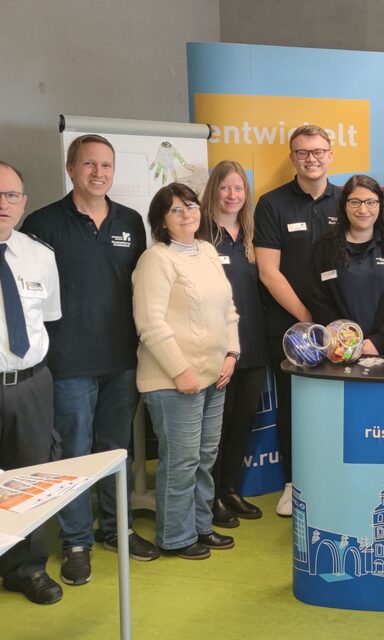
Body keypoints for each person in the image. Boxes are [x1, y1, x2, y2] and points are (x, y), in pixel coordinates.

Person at [21, 135, 157, 588]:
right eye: (89, 165)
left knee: (116, 450)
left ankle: (117, 530)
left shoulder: (131, 222)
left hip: (122, 360)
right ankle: (76, 542)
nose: (98, 173)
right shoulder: (42, 223)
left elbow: (144, 287)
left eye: (106, 165)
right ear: (70, 167)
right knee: (75, 454)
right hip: (68, 364)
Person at [132, 183, 239, 559]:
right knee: (181, 460)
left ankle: (200, 526)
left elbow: (228, 310)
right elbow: (150, 323)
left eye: (190, 206)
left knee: (205, 457)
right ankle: (175, 537)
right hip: (173, 381)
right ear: (161, 220)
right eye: (175, 209)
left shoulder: (208, 251)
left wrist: (231, 353)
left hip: (215, 375)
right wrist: (180, 372)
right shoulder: (156, 259)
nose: (187, 214)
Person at [253, 124, 341, 516]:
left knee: (340, 403)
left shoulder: (349, 201)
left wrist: (339, 325)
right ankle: (293, 483)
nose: (312, 158)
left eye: (319, 151)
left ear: (330, 155)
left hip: (342, 328)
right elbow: (269, 271)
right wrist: (308, 320)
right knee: (293, 405)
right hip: (292, 328)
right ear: (292, 158)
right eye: (303, 152)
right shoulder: (271, 204)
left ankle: (336, 481)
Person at [0, 161, 62, 604]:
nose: (3, 204)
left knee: (30, 480)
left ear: (23, 202)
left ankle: (27, 568)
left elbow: (49, 319)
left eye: (12, 195)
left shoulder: (39, 254)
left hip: (30, 384)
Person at [199, 161, 268, 528]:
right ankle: (209, 500)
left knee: (242, 423)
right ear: (214, 191)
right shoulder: (200, 233)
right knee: (217, 428)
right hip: (218, 347)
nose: (232, 195)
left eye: (238, 188)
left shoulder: (253, 234)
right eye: (225, 188)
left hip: (254, 343)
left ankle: (229, 490)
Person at [308, 175, 384, 352]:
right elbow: (318, 299)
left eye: (371, 202)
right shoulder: (324, 248)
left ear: (380, 205)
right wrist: (346, 340)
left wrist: (378, 341)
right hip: (341, 350)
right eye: (355, 202)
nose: (363, 209)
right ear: (344, 205)